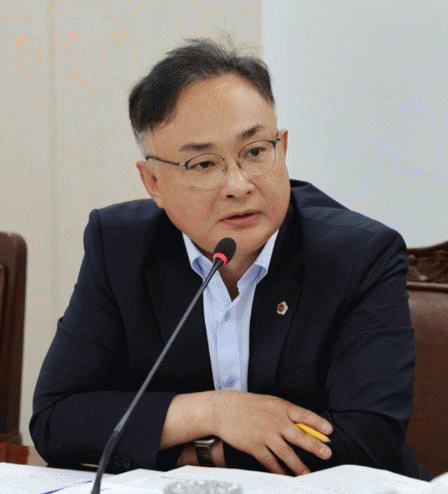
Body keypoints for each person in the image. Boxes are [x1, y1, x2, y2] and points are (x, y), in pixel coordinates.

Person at [30, 39, 427, 479]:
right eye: (203, 164)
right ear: (153, 182)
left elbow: (367, 443)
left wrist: (194, 454)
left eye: (255, 152)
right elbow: (57, 419)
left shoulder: (359, 256)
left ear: (282, 147)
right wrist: (215, 412)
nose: (238, 185)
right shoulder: (119, 246)